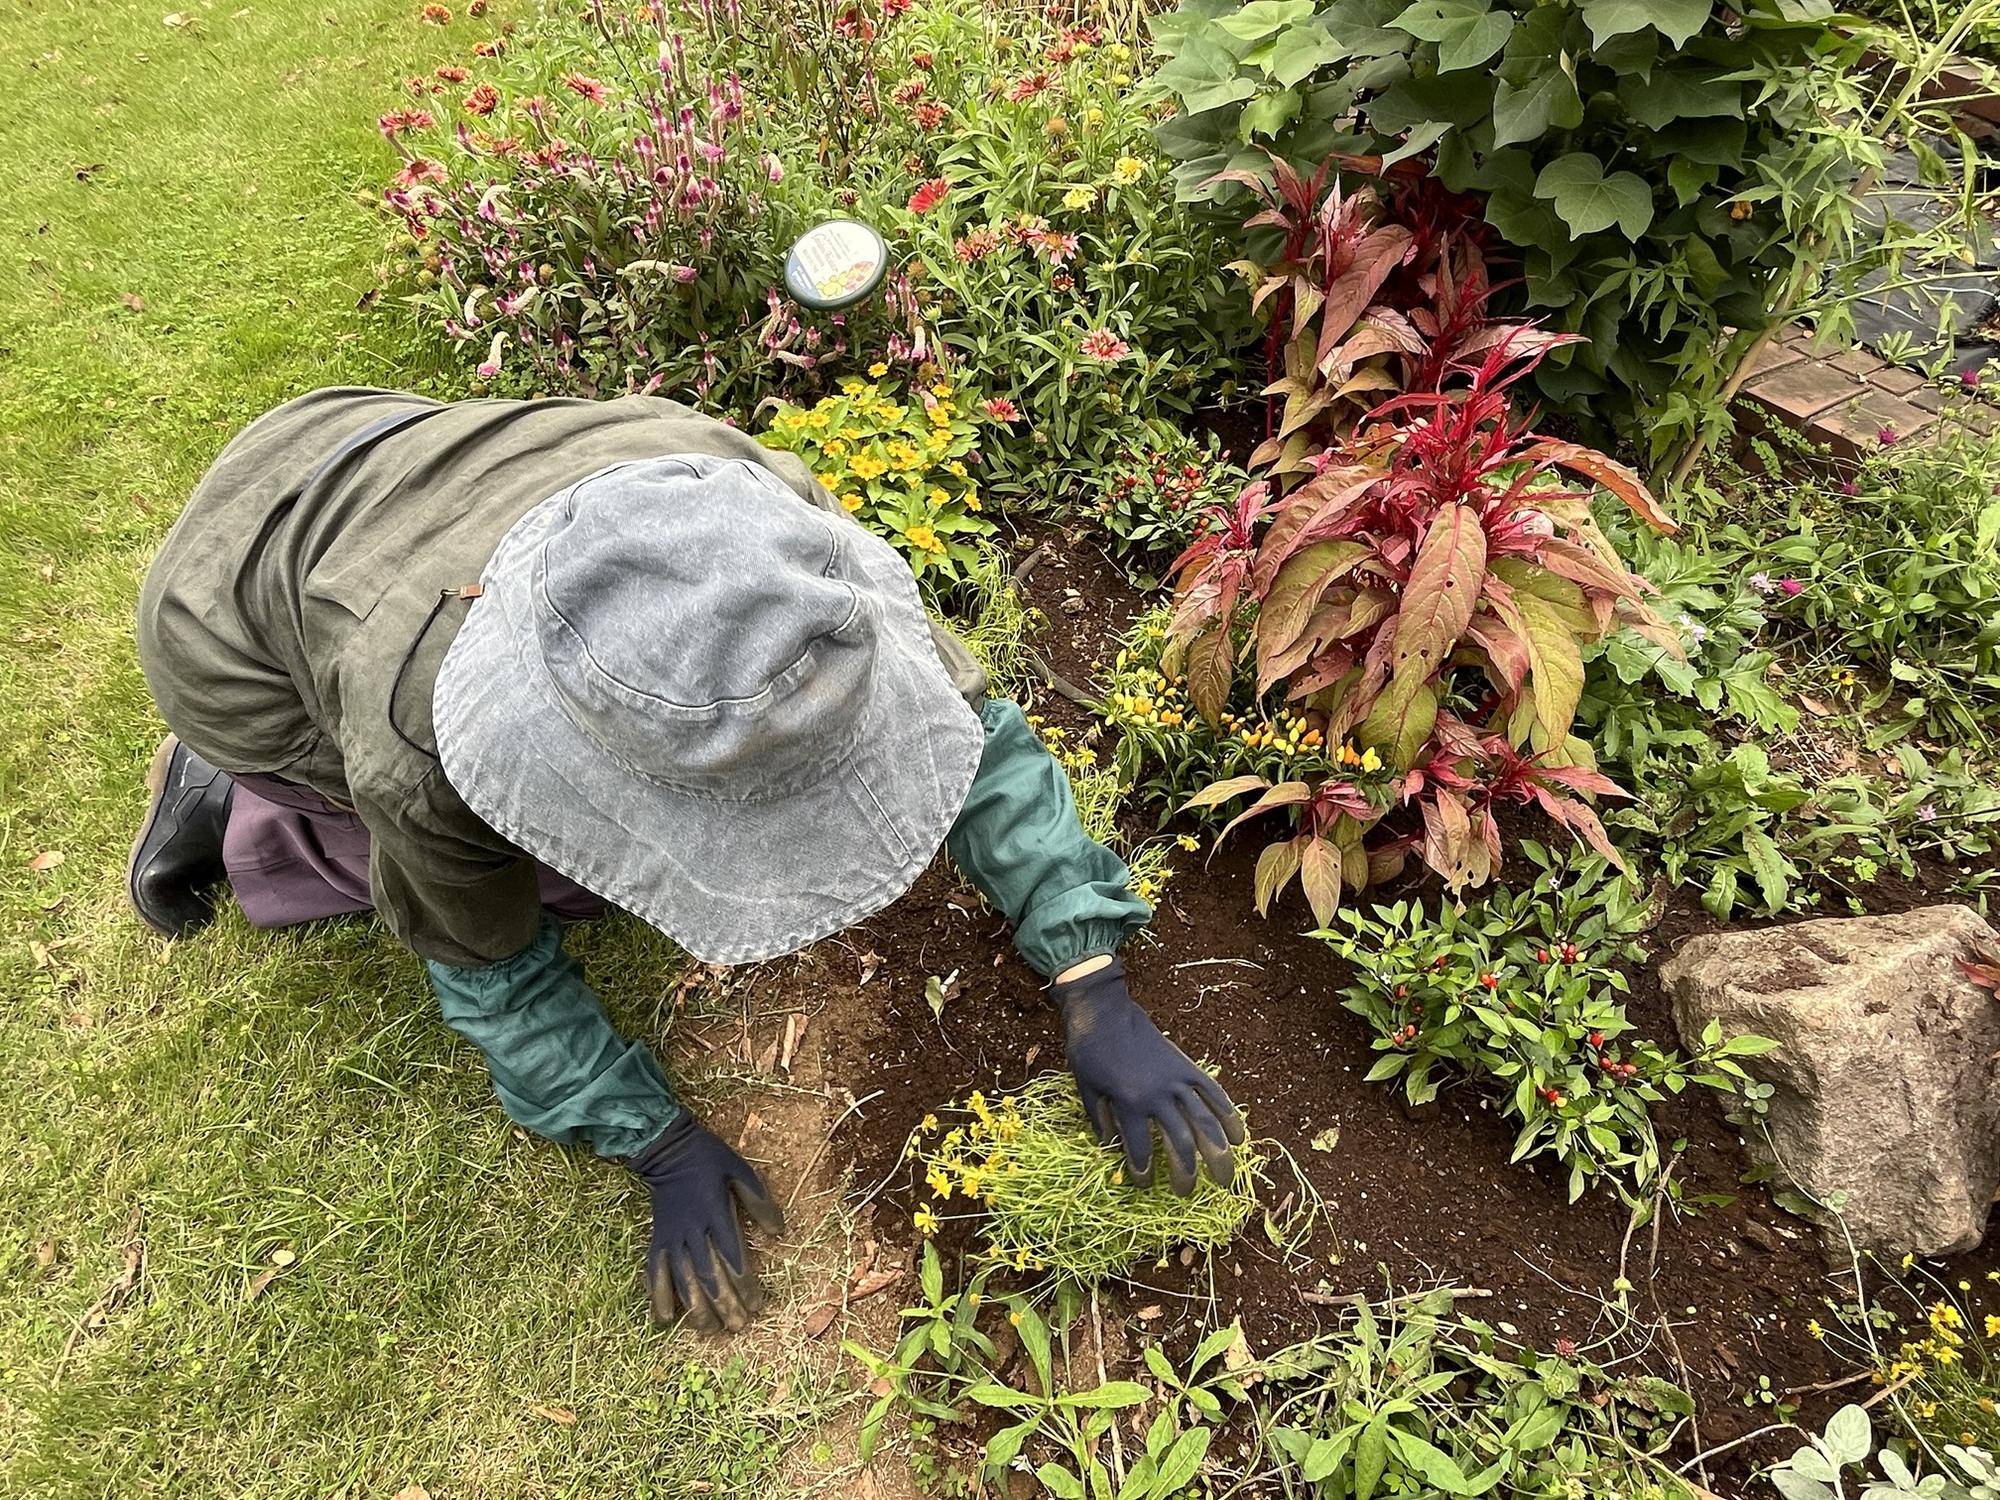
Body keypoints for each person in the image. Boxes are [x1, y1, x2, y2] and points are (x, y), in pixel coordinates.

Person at [129, 387, 1246, 1333]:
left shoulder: (752, 526)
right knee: (531, 878)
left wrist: (1088, 975)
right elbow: (484, 961)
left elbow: (969, 735)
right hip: (226, 622)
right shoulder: (424, 744)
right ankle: (223, 790)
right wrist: (653, 1141)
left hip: (380, 446)